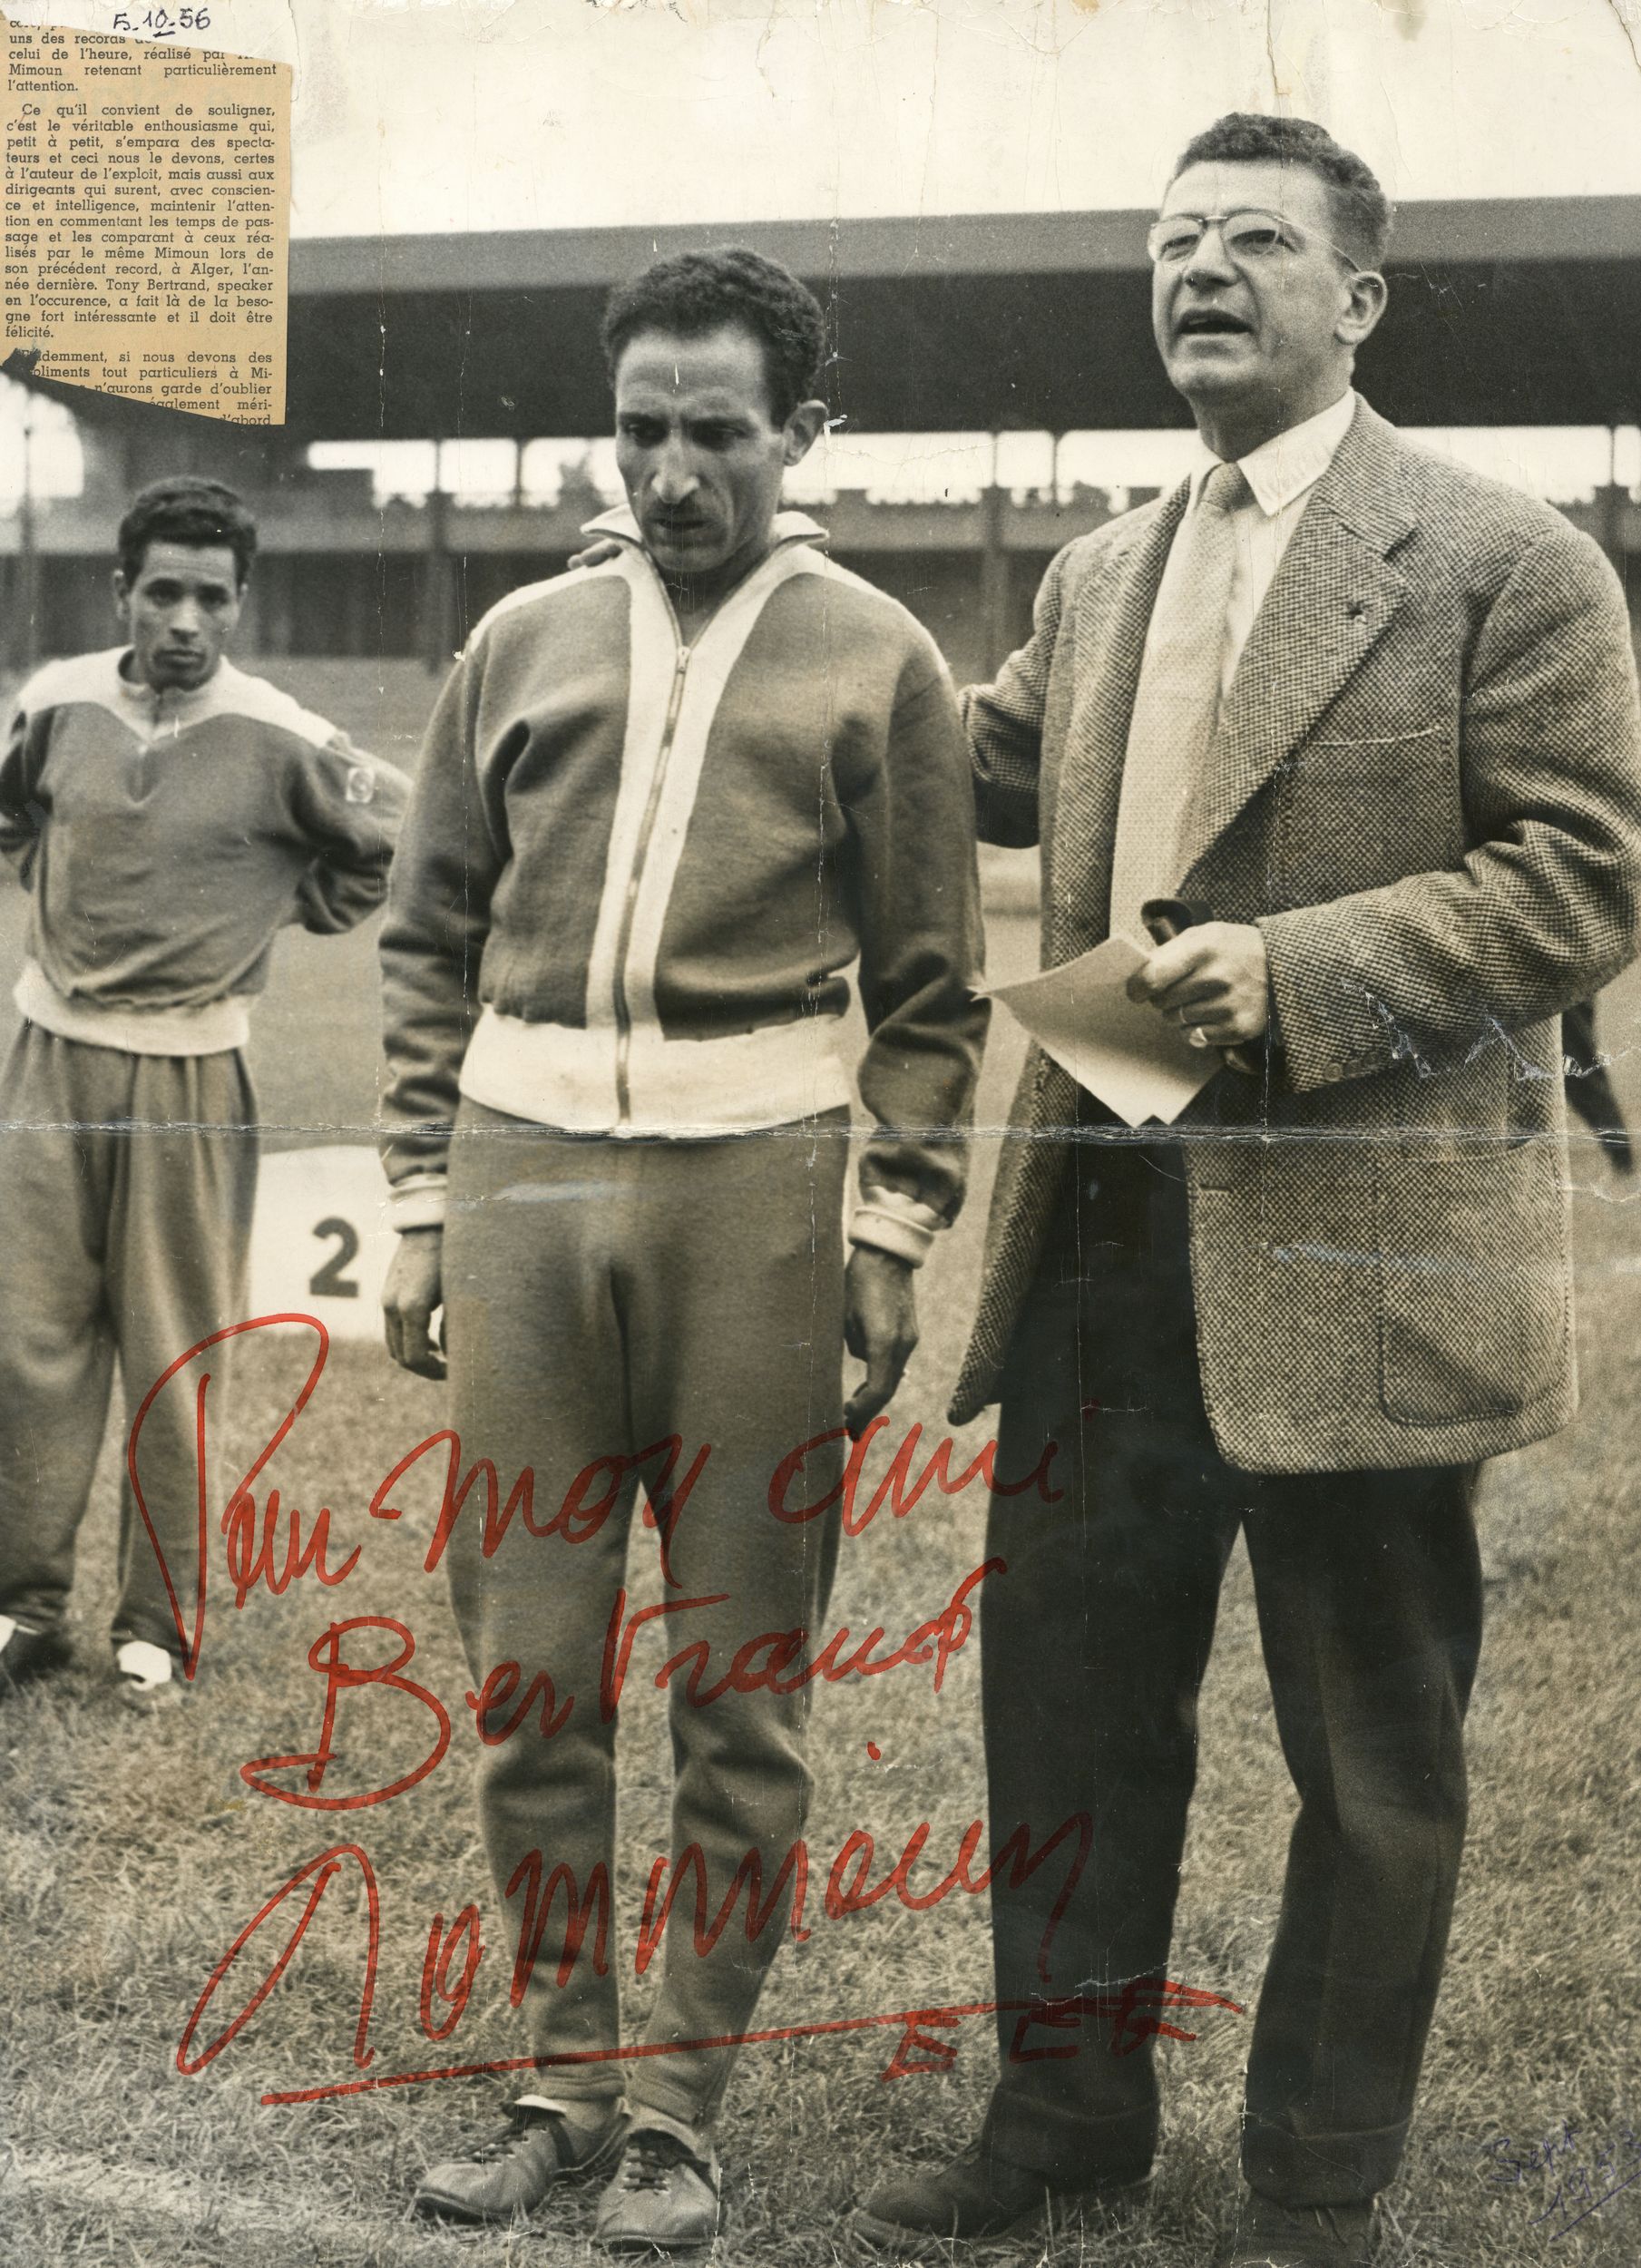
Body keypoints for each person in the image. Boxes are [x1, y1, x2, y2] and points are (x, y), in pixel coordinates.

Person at [858, 114, 1641, 2268]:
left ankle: (1314, 2175)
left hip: (1358, 1239)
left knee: (1368, 1749)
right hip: (1104, 1219)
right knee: (1065, 1696)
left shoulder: (1507, 556)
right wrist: (759, 627)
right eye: (1172, 241)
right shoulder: (1100, 569)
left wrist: (1293, 974)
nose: (1199, 271)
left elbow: (1582, 872)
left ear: (1355, 298)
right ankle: (1059, 2116)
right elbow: (953, 765)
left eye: (1252, 244)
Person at [377, 248, 986, 2249]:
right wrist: (409, 1199)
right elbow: (425, 934)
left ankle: (676, 2108)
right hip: (522, 1175)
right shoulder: (525, 633)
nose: (670, 467)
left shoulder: (873, 650)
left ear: (800, 433)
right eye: (639, 426)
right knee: (528, 1672)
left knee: (741, 1682)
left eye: (715, 428)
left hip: (757, 1186)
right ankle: (559, 2073)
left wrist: (885, 1232)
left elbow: (926, 985)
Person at [0, 475, 409, 1711]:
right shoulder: (57, 699)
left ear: (242, 605)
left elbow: (382, 845)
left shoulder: (282, 731)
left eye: (211, 598)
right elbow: (13, 815)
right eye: (162, 592)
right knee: (29, 1343)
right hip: (47, 1064)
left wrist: (274, 903)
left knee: (174, 1355)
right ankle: (23, 1606)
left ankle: (156, 1627)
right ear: (121, 590)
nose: (185, 619)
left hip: (190, 1069)